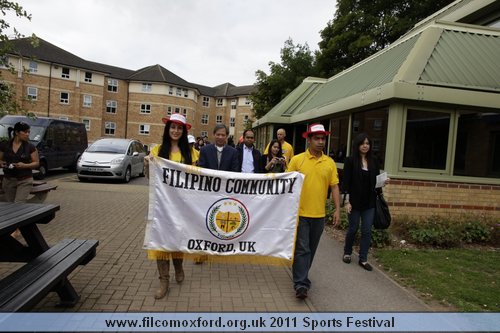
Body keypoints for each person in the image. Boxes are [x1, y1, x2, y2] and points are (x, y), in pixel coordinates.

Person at [144, 114, 199, 299]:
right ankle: (163, 281)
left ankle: (178, 265)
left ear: (184, 132)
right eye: (172, 127)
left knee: (177, 239)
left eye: (179, 128)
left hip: (183, 206)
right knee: (160, 242)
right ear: (167, 129)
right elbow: (149, 178)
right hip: (161, 206)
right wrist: (147, 165)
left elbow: (198, 180)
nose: (175, 131)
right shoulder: (158, 150)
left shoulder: (190, 153)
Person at [287, 123, 340, 300]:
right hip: (301, 213)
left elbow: (334, 187)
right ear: (308, 140)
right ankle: (301, 284)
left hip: (319, 215)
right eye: (316, 138)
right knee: (303, 248)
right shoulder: (297, 160)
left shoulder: (330, 162)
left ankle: (299, 274)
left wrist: (337, 210)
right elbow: (286, 184)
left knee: (311, 249)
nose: (320, 142)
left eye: (322, 138)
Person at [342, 133, 385, 271]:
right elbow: (346, 182)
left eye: (367, 143)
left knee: (367, 231)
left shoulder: (374, 161)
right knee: (353, 229)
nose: (365, 146)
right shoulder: (350, 161)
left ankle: (363, 259)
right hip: (354, 202)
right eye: (362, 143)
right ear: (357, 145)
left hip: (369, 203)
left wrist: (383, 183)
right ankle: (347, 252)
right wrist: (347, 202)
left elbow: (377, 183)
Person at [0, 121, 39, 202]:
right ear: (17, 132)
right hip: (8, 180)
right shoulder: (4, 145)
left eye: (28, 132)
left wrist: (24, 165)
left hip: (24, 180)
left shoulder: (30, 147)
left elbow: (36, 163)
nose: (27, 134)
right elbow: (0, 159)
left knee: (19, 204)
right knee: (10, 205)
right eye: (25, 132)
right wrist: (1, 163)